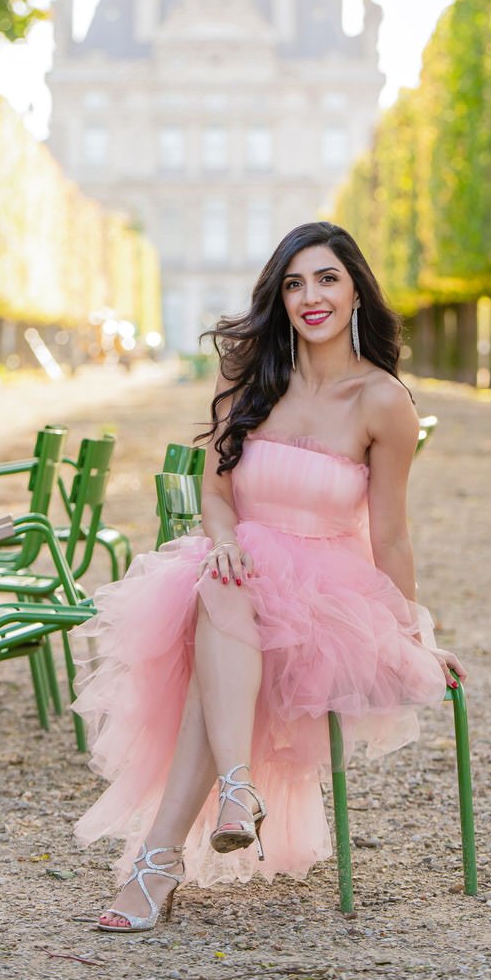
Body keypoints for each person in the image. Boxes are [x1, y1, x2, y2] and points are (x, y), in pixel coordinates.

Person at [72, 220, 466, 932]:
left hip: (326, 599)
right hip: (236, 565)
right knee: (221, 587)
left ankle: (168, 855)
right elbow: (216, 493)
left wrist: (410, 631)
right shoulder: (249, 377)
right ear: (279, 299)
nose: (309, 296)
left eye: (326, 279)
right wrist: (221, 541)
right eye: (293, 283)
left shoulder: (383, 402)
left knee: (217, 630)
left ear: (354, 293)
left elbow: (393, 535)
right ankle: (224, 802)